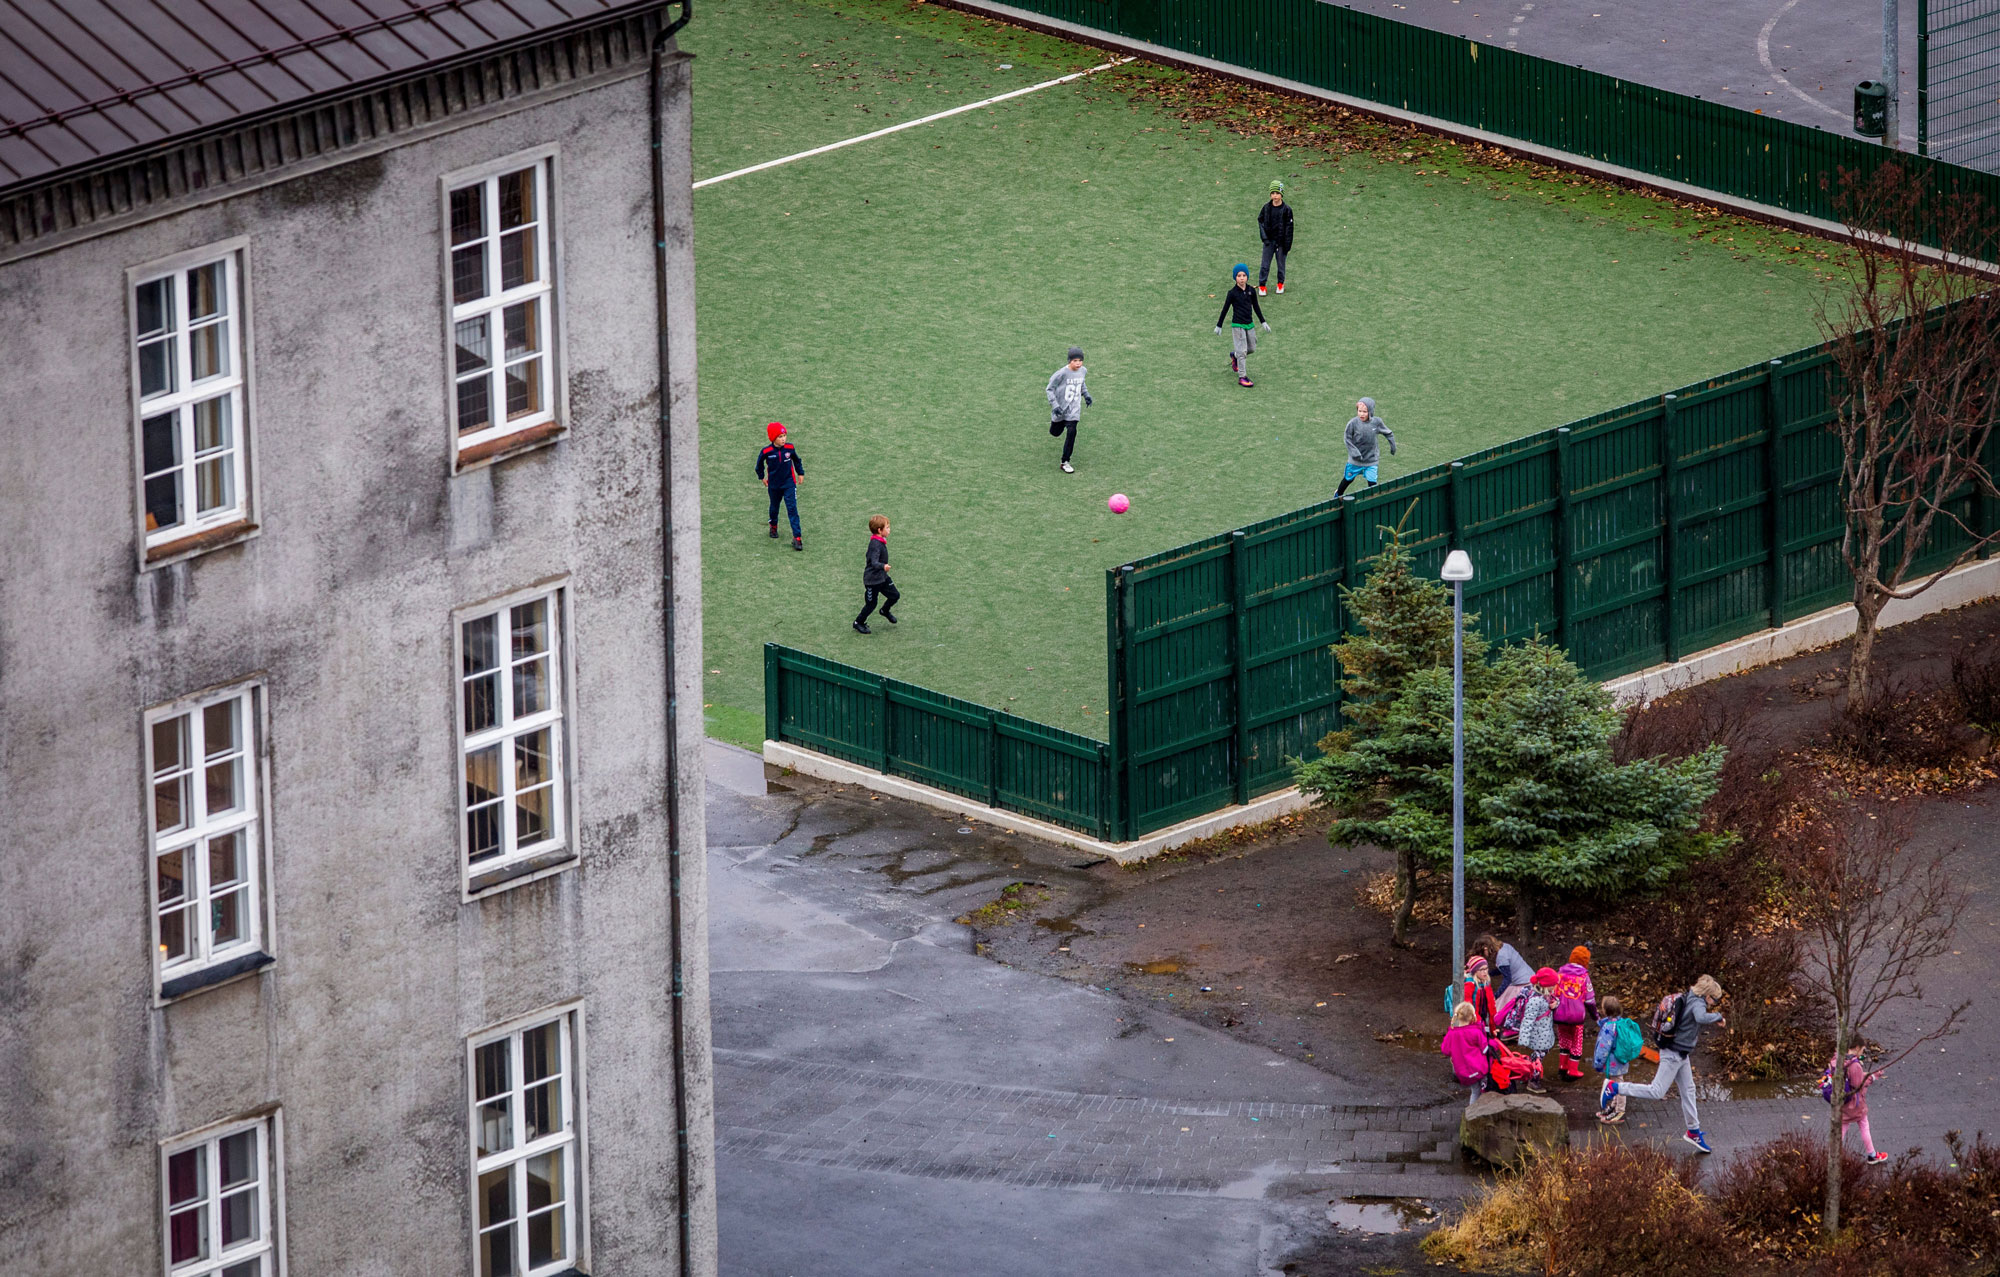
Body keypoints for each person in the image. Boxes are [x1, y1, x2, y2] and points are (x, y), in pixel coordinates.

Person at [1607, 974, 1728, 1154]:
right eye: (1715, 1000)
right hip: (1673, 1053)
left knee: (1689, 1090)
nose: (1714, 1003)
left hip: (1681, 1053)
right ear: (1708, 995)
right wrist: (1718, 1017)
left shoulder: (1689, 996)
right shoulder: (1698, 1003)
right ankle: (1615, 1088)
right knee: (1656, 1091)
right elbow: (1701, 1017)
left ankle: (1693, 1131)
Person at [1829, 1045, 1889, 1165]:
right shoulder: (1854, 1065)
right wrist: (1873, 1077)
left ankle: (1833, 1154)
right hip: (1854, 1104)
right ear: (1857, 1047)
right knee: (1864, 1126)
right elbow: (1858, 1084)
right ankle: (1872, 1155)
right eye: (1862, 1048)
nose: (1863, 1051)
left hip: (1841, 1102)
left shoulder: (1837, 1060)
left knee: (1842, 1127)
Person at [1214, 265, 1272, 388]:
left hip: (1249, 324)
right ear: (1235, 278)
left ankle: (1234, 355)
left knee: (1251, 348)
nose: (1241, 278)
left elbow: (1256, 307)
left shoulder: (1251, 291)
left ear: (1247, 277)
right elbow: (1225, 309)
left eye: (1244, 275)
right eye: (1239, 276)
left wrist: (1263, 322)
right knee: (1242, 351)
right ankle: (1242, 376)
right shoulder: (1232, 293)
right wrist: (1219, 325)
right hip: (1237, 325)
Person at [1591, 995, 1641, 1124]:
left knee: (1618, 1085)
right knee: (1613, 1084)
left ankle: (1619, 1110)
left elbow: (1603, 1048)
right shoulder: (1620, 1023)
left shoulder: (1609, 1028)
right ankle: (1614, 1105)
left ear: (1605, 1011)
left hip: (1612, 1062)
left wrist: (1598, 1063)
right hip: (1621, 1059)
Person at [756, 422, 806, 551]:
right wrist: (762, 477)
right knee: (774, 507)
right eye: (780, 436)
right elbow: (759, 464)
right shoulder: (766, 451)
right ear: (773, 438)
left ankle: (797, 537)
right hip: (774, 486)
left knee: (792, 509)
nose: (783, 439)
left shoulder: (790, 448)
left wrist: (800, 473)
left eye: (784, 435)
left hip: (789, 484)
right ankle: (773, 526)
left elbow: (797, 460)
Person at [1552, 945, 1599, 1080]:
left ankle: (1562, 1067)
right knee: (1576, 1043)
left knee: (1564, 1040)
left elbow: (1553, 993)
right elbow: (1590, 1000)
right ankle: (1572, 1071)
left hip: (1560, 1014)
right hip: (1577, 1017)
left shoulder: (1560, 974)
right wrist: (1595, 1016)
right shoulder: (1584, 977)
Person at [1045, 346, 1092, 474]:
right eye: (1075, 360)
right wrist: (1055, 405)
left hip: (1074, 410)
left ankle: (1065, 461)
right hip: (1060, 409)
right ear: (1069, 361)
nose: (1078, 363)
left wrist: (1086, 395)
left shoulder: (1083, 371)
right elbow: (1049, 389)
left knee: (1072, 432)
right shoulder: (1061, 374)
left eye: (1080, 360)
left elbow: (1081, 383)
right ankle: (1055, 424)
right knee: (1055, 432)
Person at [1335, 398, 1395, 496]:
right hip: (1355, 461)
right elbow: (1347, 438)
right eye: (1360, 411)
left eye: (1365, 412)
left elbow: (1388, 433)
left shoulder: (1377, 422)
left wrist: (1393, 446)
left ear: (1370, 412)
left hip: (1371, 461)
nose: (1362, 414)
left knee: (1372, 484)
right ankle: (1338, 495)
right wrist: (1354, 453)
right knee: (1347, 479)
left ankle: (1371, 501)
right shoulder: (1353, 423)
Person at [1441, 1002, 1493, 1108]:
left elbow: (1445, 1050)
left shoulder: (1451, 1033)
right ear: (1472, 1016)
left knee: (1475, 1091)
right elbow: (1486, 1049)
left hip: (1464, 1072)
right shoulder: (1475, 1032)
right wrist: (1494, 1043)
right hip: (1479, 1068)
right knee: (1484, 1090)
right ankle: (1482, 1111)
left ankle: (1471, 1114)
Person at [1515, 968, 1559, 1094]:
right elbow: (1527, 1020)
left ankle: (1526, 1073)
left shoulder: (1547, 996)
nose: (1556, 986)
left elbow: (1555, 1001)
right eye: (1554, 984)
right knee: (1537, 1059)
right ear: (1548, 985)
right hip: (1538, 1037)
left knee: (1537, 1057)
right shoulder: (1535, 1000)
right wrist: (1523, 1040)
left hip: (1545, 1035)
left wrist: (1555, 1004)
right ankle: (1533, 1081)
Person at [853, 515, 898, 635]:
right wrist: (883, 566)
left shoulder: (880, 541)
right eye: (887, 527)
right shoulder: (875, 545)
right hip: (872, 581)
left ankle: (885, 610)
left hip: (882, 578)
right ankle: (858, 622)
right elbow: (873, 562)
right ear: (879, 530)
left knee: (895, 595)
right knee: (871, 604)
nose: (889, 530)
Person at [1478, 933, 1536, 1020]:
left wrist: (1496, 995)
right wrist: (1489, 974)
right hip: (1528, 978)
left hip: (1523, 984)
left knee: (1503, 1006)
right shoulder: (1505, 946)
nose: (1484, 954)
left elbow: (1507, 978)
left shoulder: (1501, 957)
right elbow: (1504, 969)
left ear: (1486, 948)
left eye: (1483, 951)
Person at [1257, 180, 1294, 296]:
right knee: (1265, 264)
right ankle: (1262, 285)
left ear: (1281, 194)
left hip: (1281, 243)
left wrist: (1287, 245)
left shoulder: (1287, 210)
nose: (1275, 196)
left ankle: (1280, 284)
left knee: (1281, 265)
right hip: (1269, 242)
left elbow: (1289, 229)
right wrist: (1265, 239)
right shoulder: (1266, 208)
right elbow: (1261, 221)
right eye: (1273, 193)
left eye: (1277, 193)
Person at [1457, 955, 1499, 1031]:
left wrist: (1493, 1026)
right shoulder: (1469, 984)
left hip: (1484, 1020)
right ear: (1475, 971)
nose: (1485, 972)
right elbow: (1468, 1008)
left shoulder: (1486, 983)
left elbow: (1491, 1004)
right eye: (1482, 970)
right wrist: (1479, 1023)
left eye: (1486, 969)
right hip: (1473, 1022)